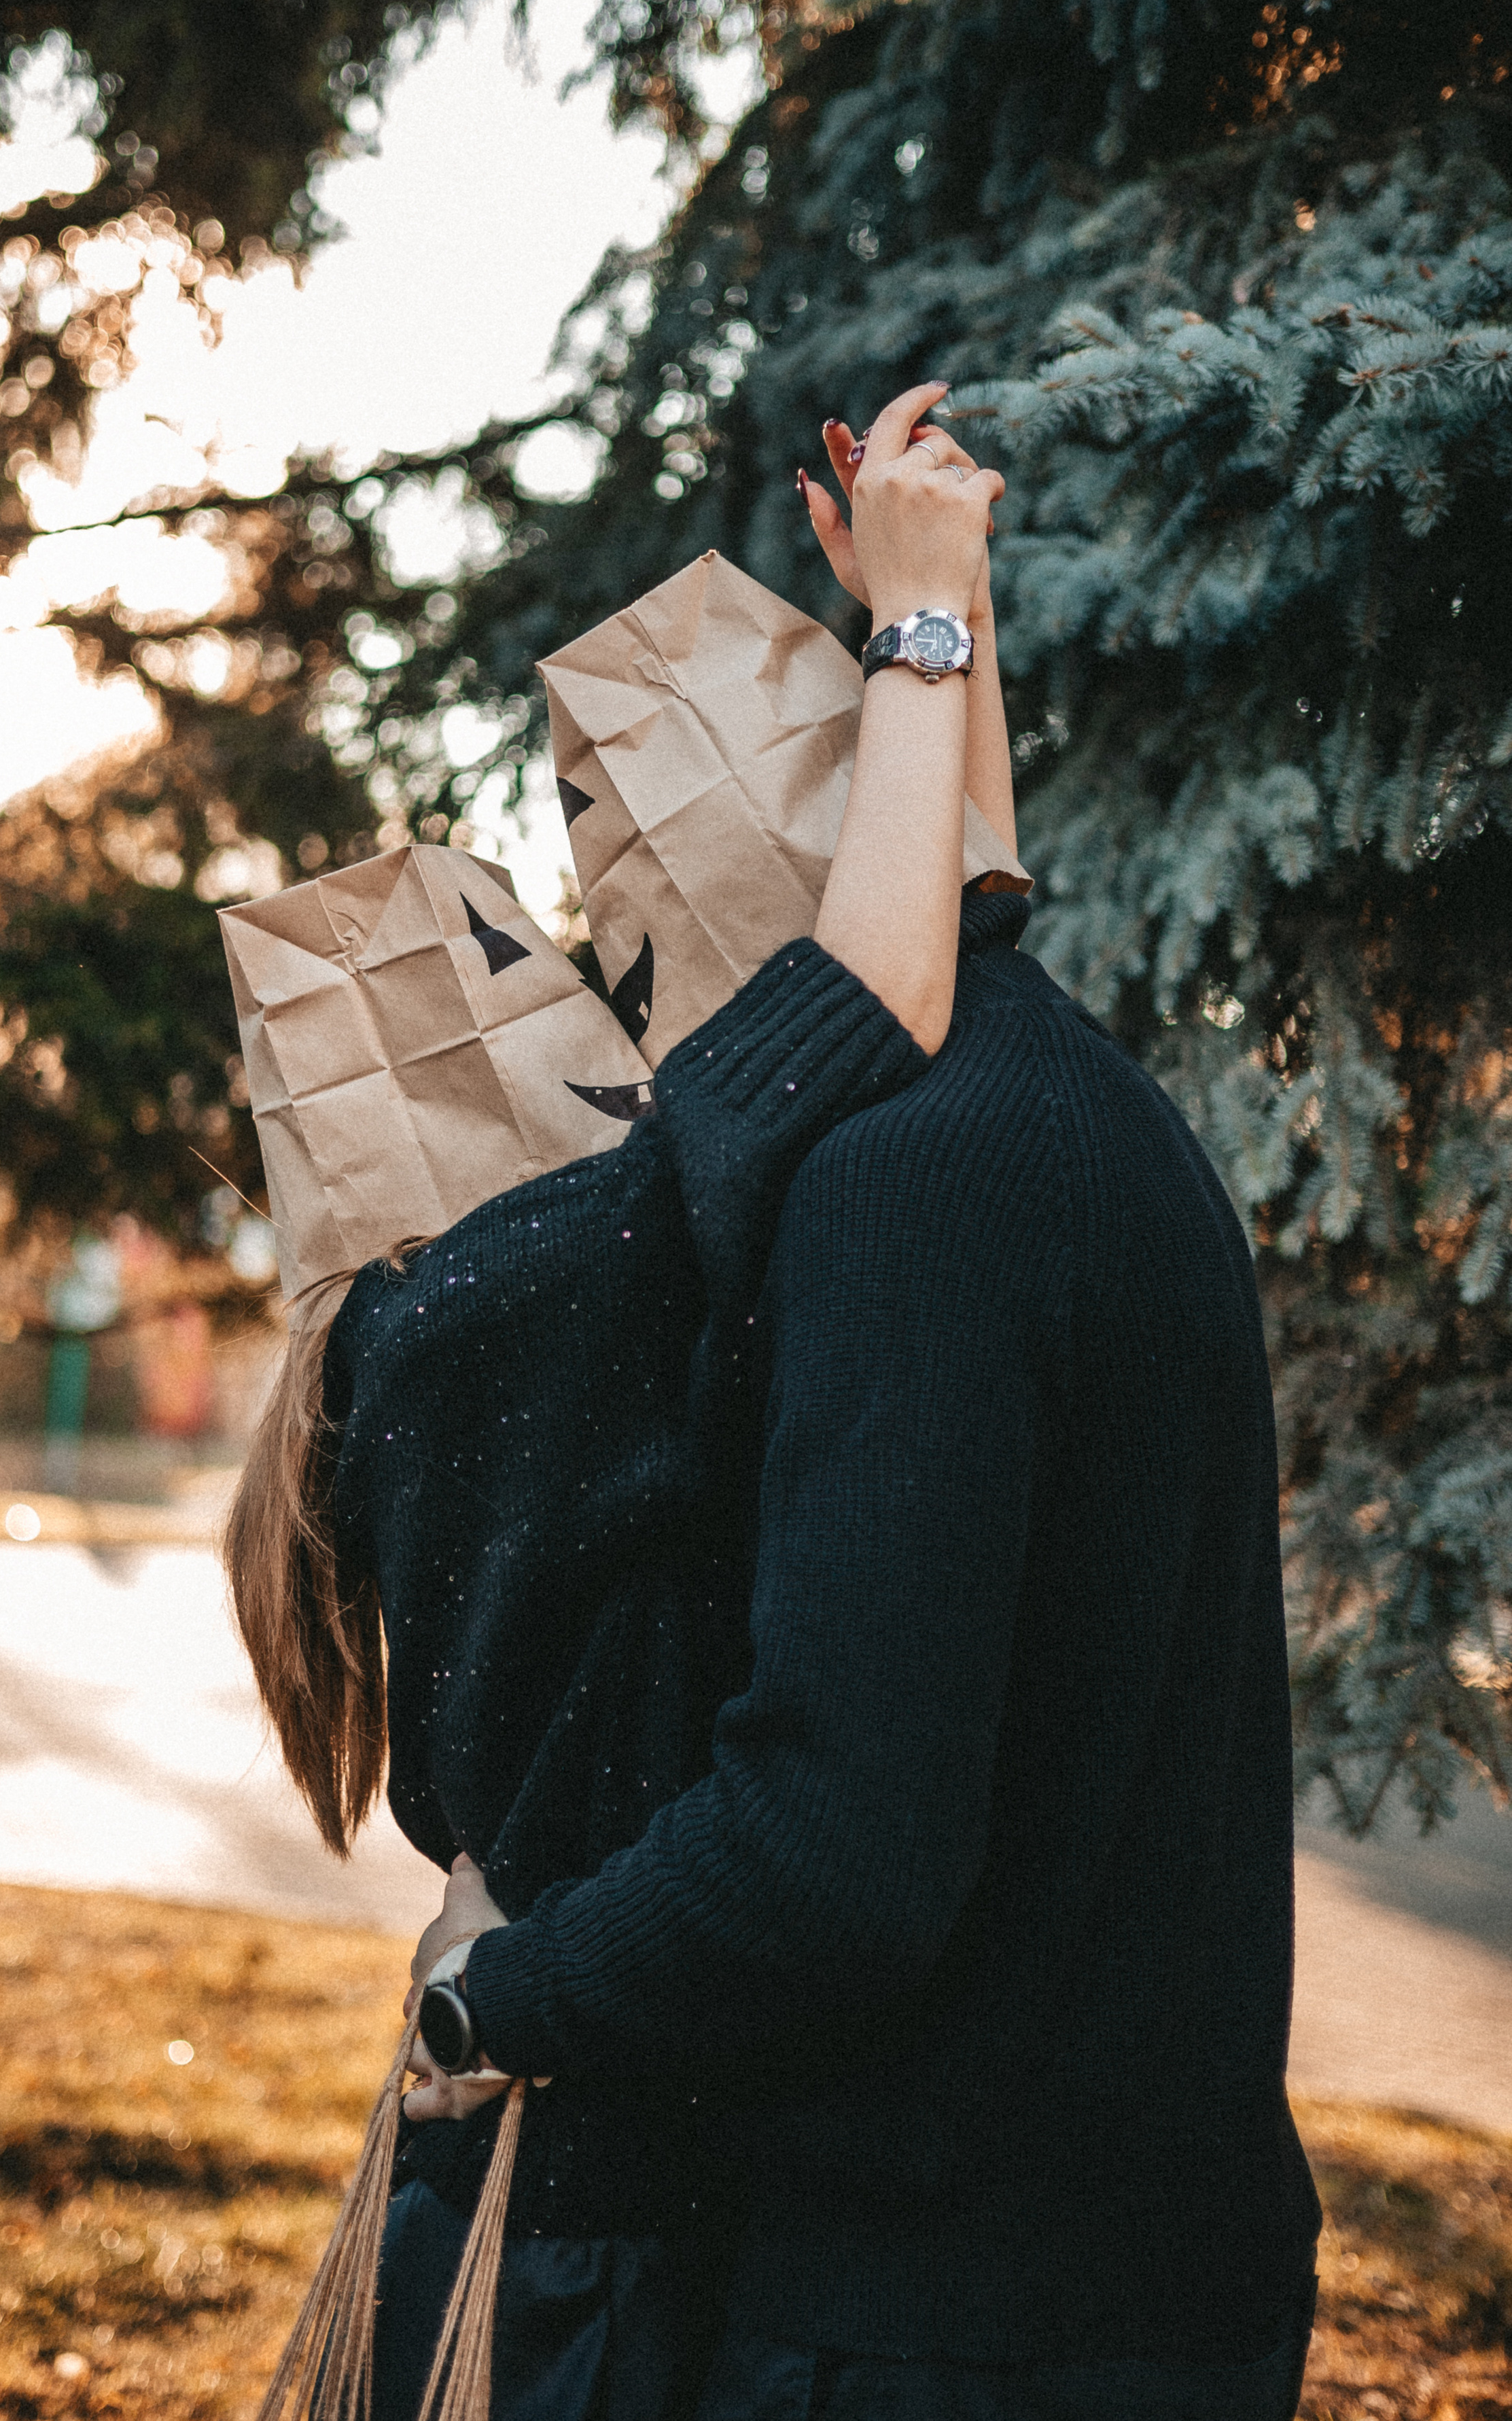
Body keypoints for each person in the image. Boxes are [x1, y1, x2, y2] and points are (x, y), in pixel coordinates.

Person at [401, 408, 1325, 2416]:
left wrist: (499, 1993)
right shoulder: (1106, 1122)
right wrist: (931, 614)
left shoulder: (897, 1190)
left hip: (936, 2325)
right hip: (1167, 2281)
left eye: (631, 923)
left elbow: (836, 1845)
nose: (638, 1000)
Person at [225, 384, 1013, 2417]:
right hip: (617, 2217)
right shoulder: (551, 1276)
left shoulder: (389, 1348)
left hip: (517, 2162)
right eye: (523, 956)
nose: (591, 982)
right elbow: (893, 999)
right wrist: (927, 627)